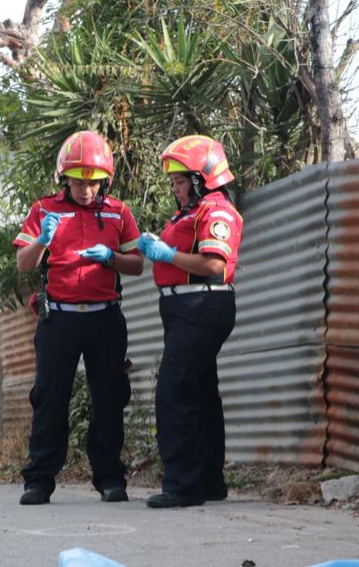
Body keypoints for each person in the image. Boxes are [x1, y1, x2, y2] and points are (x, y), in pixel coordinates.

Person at [13, 130, 143, 505]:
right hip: (60, 320)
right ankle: (39, 481)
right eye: (78, 182)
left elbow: (137, 264)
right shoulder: (43, 210)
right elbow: (23, 264)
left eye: (93, 183)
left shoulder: (118, 212)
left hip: (105, 319)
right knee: (49, 398)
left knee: (110, 398)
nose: (86, 190)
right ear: (64, 179)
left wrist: (112, 258)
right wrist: (42, 241)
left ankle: (110, 479)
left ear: (105, 181)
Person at [136, 135, 242, 509]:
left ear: (201, 178)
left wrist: (167, 254)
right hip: (186, 307)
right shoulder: (189, 212)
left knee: (175, 390)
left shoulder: (217, 211)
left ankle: (182, 485)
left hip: (201, 305)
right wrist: (156, 247)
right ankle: (209, 481)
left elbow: (213, 264)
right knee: (200, 393)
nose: (175, 189)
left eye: (180, 181)